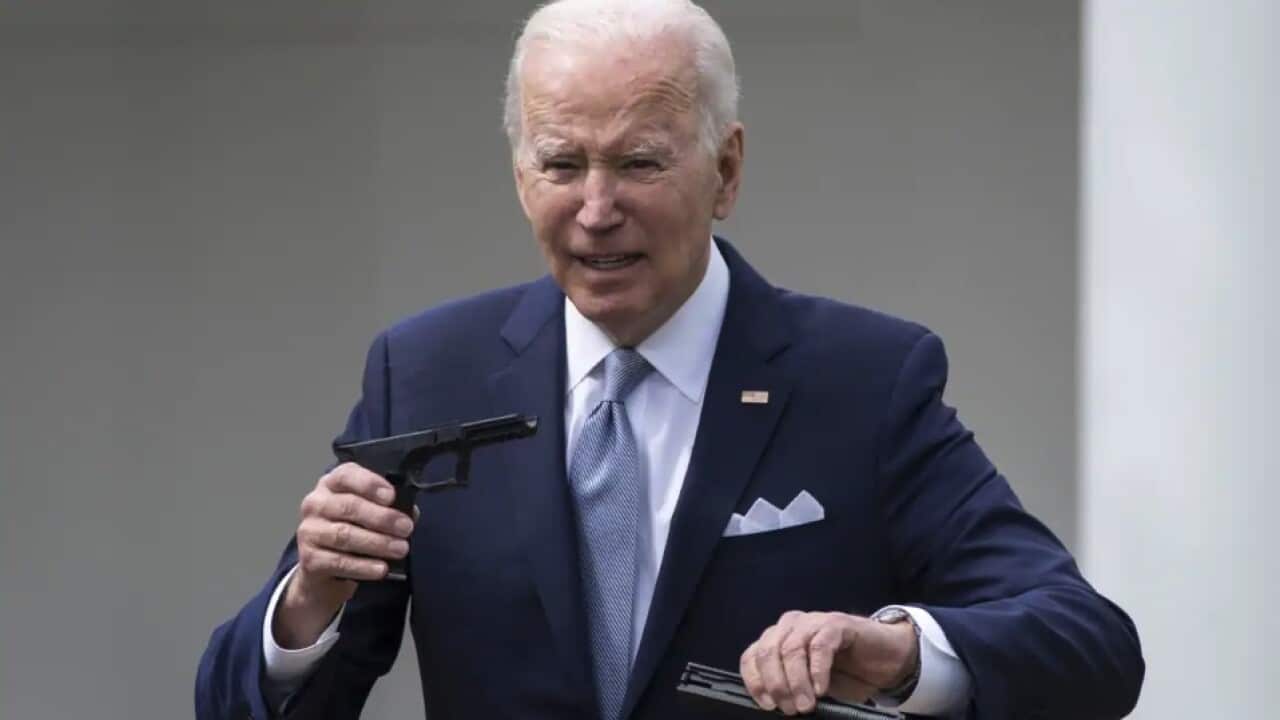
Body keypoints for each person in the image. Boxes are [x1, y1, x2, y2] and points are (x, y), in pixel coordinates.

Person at [195, 1, 1144, 718]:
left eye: (640, 164)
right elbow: (242, 703)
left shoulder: (864, 381)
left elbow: (1088, 646)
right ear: (520, 176)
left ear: (725, 171)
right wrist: (309, 600)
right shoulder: (425, 370)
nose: (597, 208)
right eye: (563, 166)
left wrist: (899, 651)